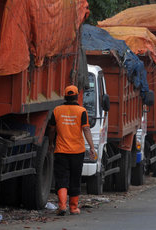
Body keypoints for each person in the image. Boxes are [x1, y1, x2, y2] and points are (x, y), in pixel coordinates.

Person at [48, 85, 96, 216]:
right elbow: (86, 129)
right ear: (76, 97)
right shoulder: (82, 111)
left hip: (61, 151)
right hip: (77, 152)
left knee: (61, 178)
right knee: (75, 178)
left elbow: (52, 129)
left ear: (65, 97)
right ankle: (73, 208)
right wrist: (92, 147)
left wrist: (51, 144)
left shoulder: (57, 110)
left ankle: (62, 206)